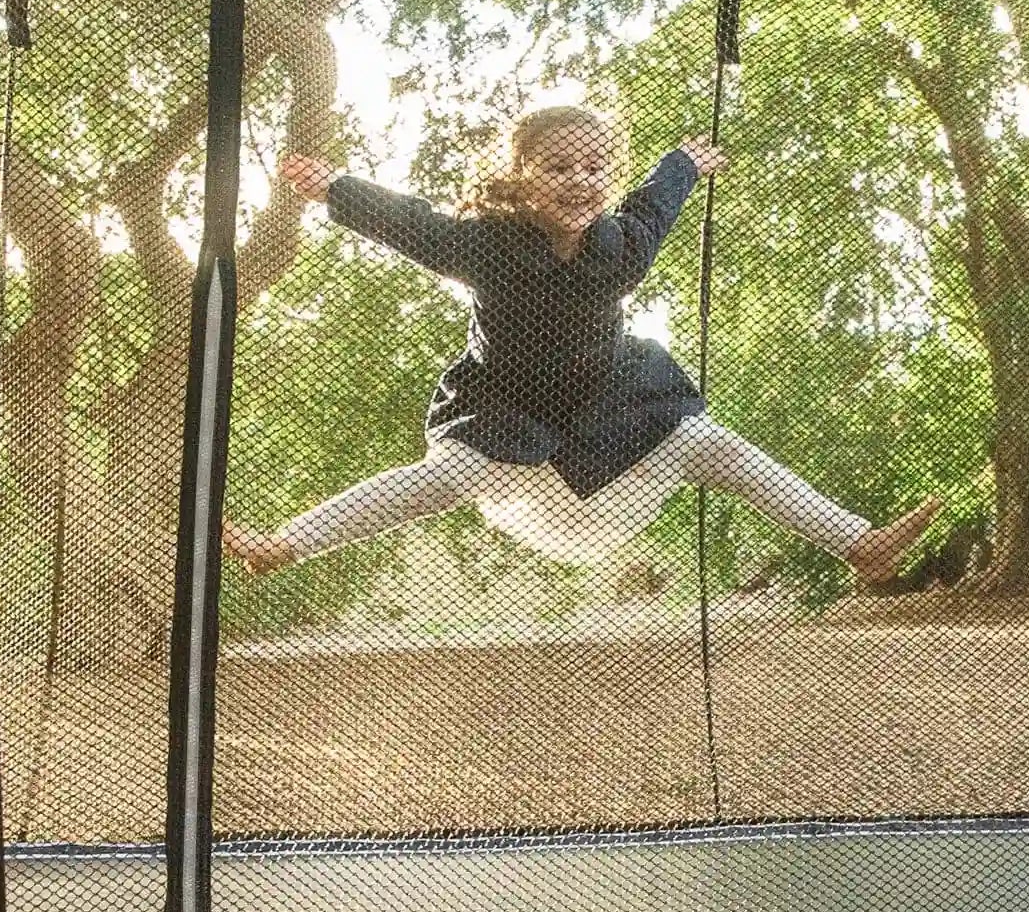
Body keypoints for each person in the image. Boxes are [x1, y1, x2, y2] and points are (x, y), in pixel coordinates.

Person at [225, 105, 942, 581]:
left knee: (713, 445)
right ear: (522, 176)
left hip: (613, 401)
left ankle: (857, 543)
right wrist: (335, 188)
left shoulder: (622, 246)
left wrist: (684, 163)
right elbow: (411, 223)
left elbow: (657, 203)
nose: (579, 180)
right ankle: (284, 545)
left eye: (594, 167)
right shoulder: (484, 244)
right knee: (437, 482)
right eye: (558, 167)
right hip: (505, 407)